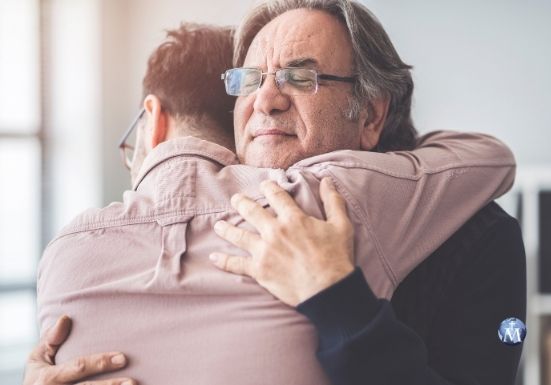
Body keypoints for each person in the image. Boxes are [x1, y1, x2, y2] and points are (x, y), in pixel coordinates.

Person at [24, 3, 522, 385]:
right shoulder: (183, 228)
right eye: (249, 80)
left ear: (370, 116)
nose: (266, 98)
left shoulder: (477, 233)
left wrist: (337, 298)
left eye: (299, 76)